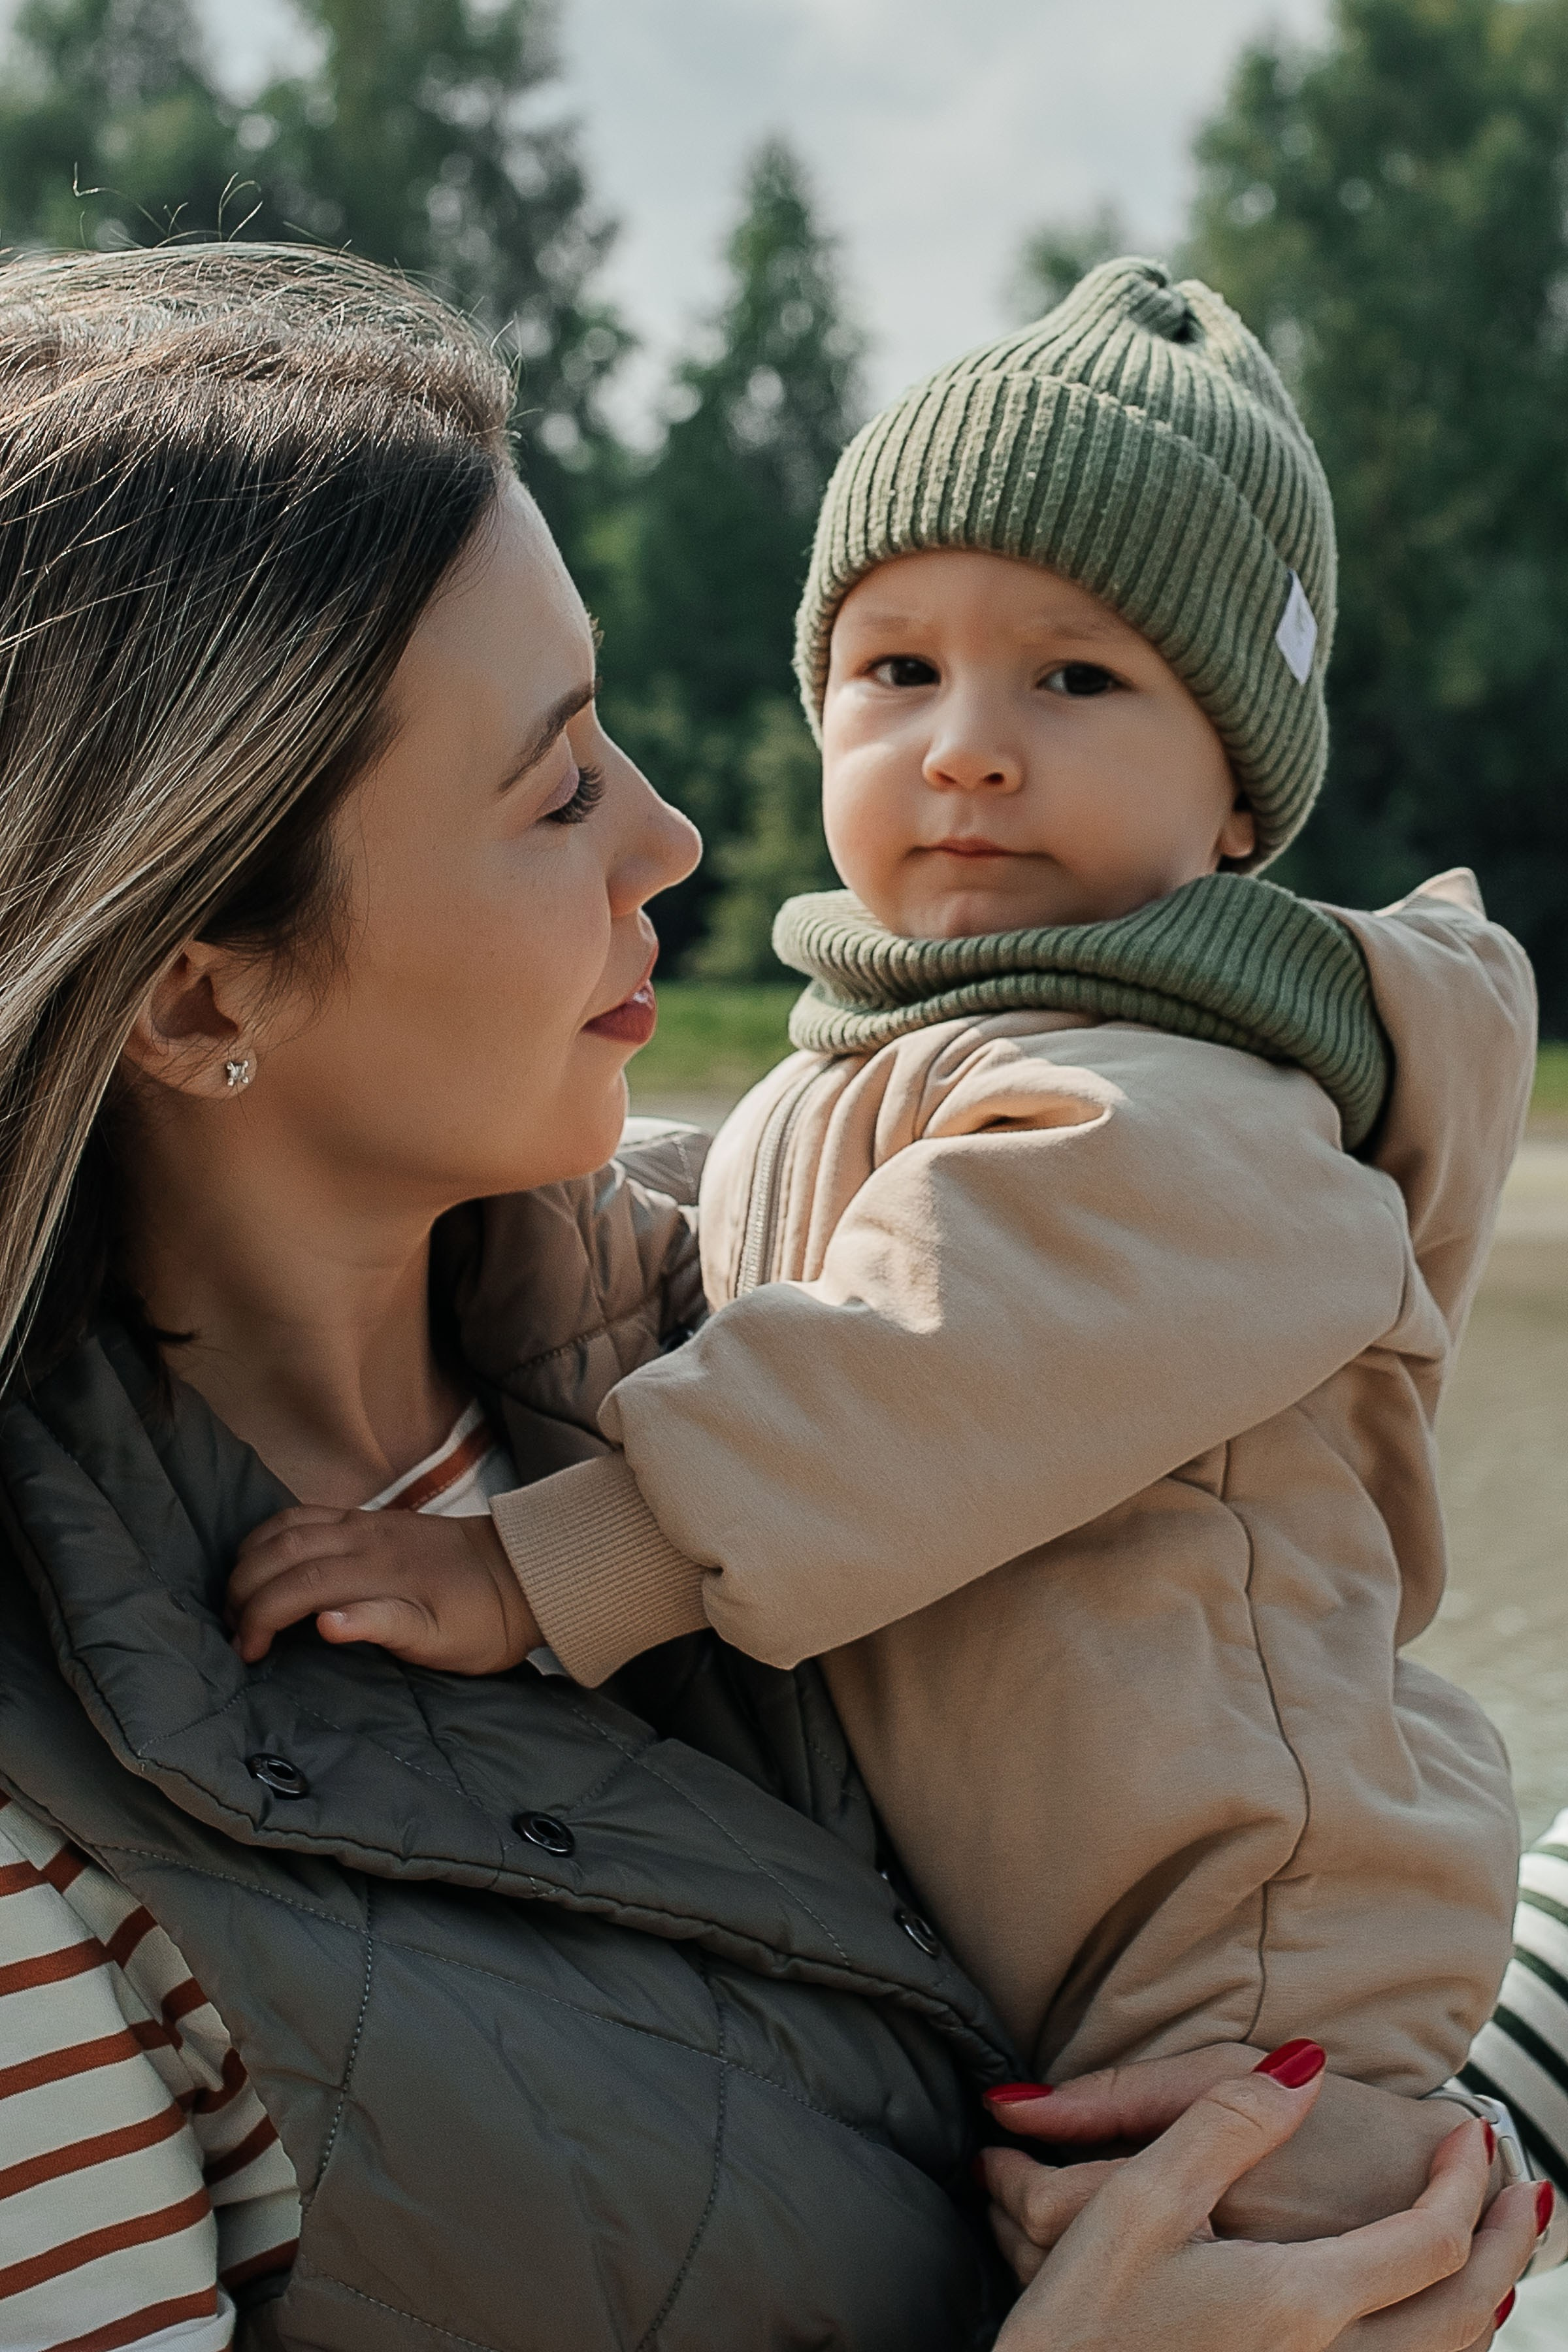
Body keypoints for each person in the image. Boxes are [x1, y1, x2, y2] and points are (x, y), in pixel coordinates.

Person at [0, 239, 1538, 2352]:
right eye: (561, 784)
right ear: (199, 996)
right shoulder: (50, 1866)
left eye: (1076, 681)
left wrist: (1460, 2173)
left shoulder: (740, 1292)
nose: (678, 835)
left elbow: (1265, 1939)